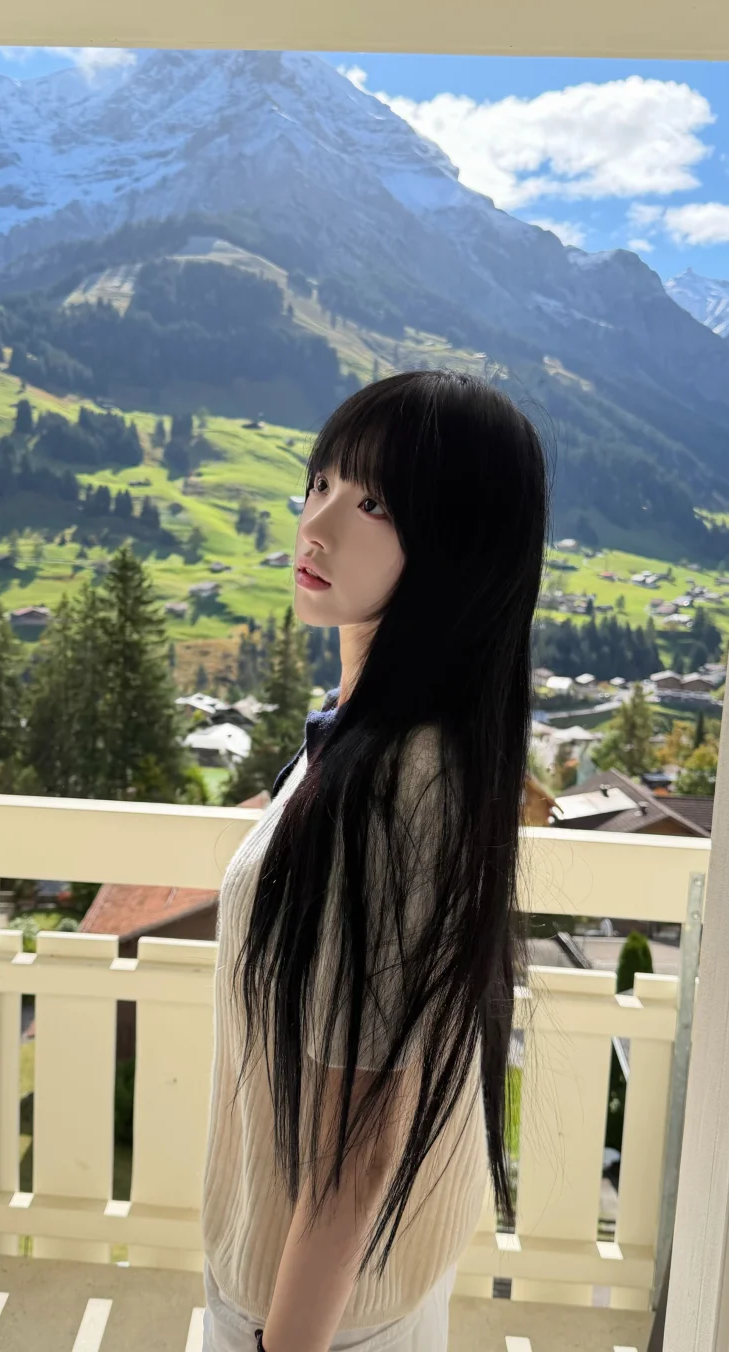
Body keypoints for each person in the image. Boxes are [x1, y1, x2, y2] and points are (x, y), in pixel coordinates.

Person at [199, 371, 550, 1352]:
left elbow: (359, 1150)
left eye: (376, 504)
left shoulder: (396, 792)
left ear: (459, 546)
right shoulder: (375, 743)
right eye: (320, 484)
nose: (316, 527)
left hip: (308, 1313)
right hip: (353, 1294)